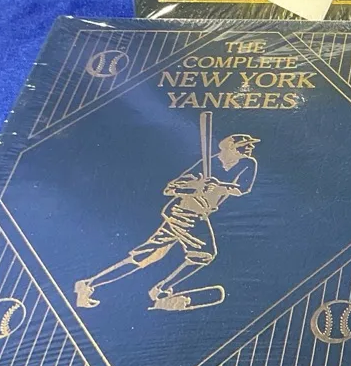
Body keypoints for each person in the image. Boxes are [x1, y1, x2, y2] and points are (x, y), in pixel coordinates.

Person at [74, 133, 259, 312]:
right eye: (245, 145)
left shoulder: (247, 164)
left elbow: (241, 189)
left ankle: (89, 284)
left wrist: (218, 186)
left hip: (197, 214)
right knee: (203, 254)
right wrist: (196, 187)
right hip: (184, 212)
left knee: (148, 255)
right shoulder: (207, 164)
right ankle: (161, 291)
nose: (250, 148)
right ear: (230, 147)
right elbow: (171, 189)